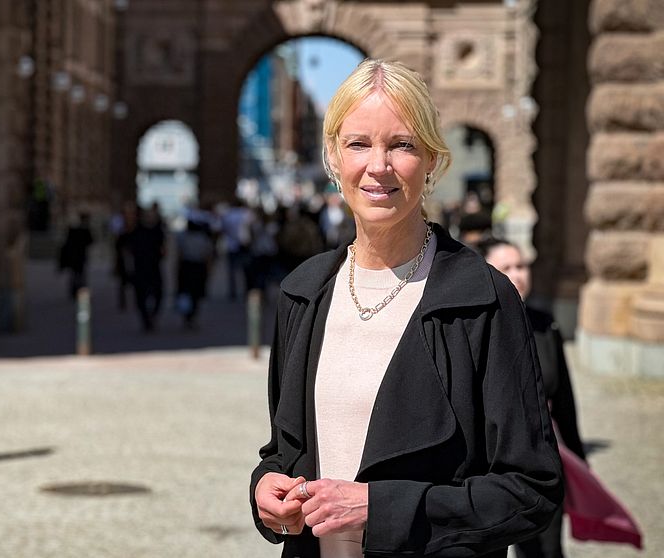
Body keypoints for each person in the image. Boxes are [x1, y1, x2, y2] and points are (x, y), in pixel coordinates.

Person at [250, 59, 562, 558]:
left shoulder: (484, 299)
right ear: (332, 156)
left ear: (433, 160)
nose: (378, 165)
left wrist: (382, 509)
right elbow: (285, 451)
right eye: (358, 144)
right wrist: (267, 487)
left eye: (402, 145)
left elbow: (531, 492)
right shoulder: (303, 293)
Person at [478, 237, 586, 558]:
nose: (518, 274)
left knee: (546, 551)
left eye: (521, 265)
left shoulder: (544, 324)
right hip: (485, 470)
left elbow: (564, 402)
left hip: (538, 466)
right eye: (506, 267)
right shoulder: (472, 326)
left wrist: (579, 462)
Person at [174, 219, 214, 328]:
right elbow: (208, 257)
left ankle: (188, 315)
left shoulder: (185, 238)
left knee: (189, 292)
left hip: (189, 267)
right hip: (196, 267)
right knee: (194, 293)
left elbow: (179, 254)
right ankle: (189, 315)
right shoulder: (203, 239)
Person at [58, 212, 94, 300]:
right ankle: (80, 292)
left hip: (74, 257)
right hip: (79, 257)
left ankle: (75, 291)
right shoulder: (83, 230)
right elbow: (90, 241)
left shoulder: (74, 230)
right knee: (80, 276)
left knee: (75, 275)